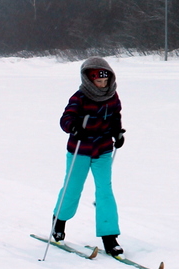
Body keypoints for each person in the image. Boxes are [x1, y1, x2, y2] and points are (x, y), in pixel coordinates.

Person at [51, 57, 126, 256]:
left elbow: (115, 116)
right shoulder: (80, 97)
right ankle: (58, 223)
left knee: (105, 191)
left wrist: (117, 133)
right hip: (80, 150)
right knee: (72, 188)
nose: (103, 85)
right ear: (89, 79)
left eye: (105, 81)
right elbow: (66, 119)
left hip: (103, 150)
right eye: (98, 82)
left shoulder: (112, 95)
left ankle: (110, 238)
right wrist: (74, 128)